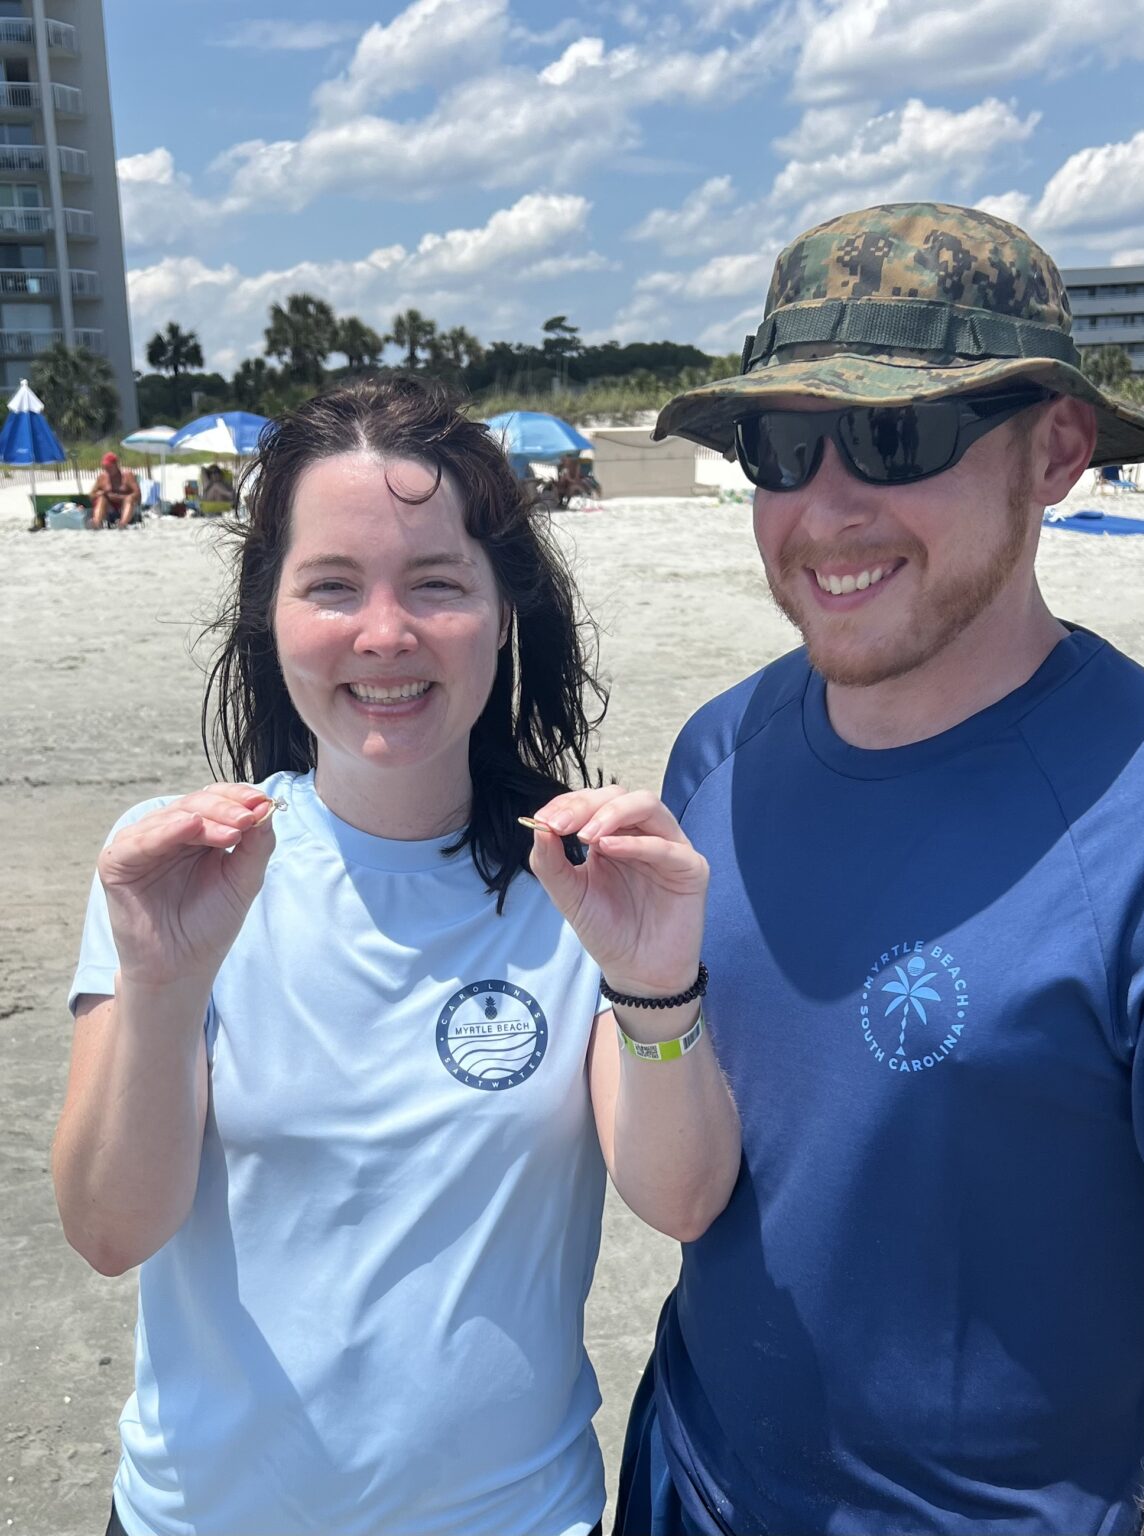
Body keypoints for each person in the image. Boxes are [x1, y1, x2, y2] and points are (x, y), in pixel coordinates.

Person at [614, 202, 1144, 1536]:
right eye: (782, 447)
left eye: (896, 439)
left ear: (1055, 450)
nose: (825, 510)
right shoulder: (716, 750)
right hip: (693, 1480)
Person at [53, 377, 740, 1536]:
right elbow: (112, 1233)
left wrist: (654, 976)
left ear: (503, 607)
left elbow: (679, 1200)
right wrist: (164, 987)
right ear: (267, 612)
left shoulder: (575, 878)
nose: (385, 634)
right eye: (331, 586)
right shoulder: (178, 868)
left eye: (436, 583)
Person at [90, 451, 141, 529]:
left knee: (129, 499)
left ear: (116, 465)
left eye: (109, 467)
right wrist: (100, 493)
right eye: (105, 467)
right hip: (110, 507)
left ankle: (122, 524)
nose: (107, 469)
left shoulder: (127, 475)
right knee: (101, 498)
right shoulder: (102, 477)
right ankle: (96, 522)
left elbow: (137, 494)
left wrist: (120, 497)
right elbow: (92, 494)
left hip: (126, 505)